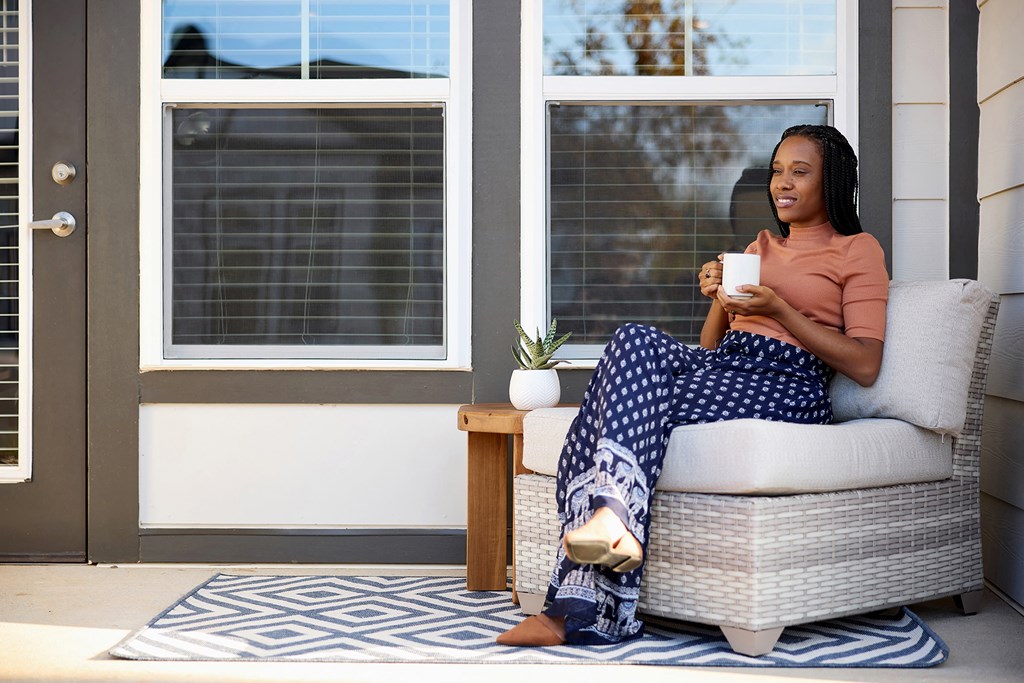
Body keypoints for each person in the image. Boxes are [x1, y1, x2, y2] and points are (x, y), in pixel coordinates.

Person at [495, 124, 889, 647]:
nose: (781, 184)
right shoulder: (760, 246)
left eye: (799, 172)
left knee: (603, 409)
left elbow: (865, 363)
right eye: (776, 171)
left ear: (832, 181)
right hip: (727, 366)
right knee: (632, 339)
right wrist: (720, 298)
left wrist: (780, 309)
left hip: (787, 382)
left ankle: (583, 588)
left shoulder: (857, 251)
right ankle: (609, 533)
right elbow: (708, 349)